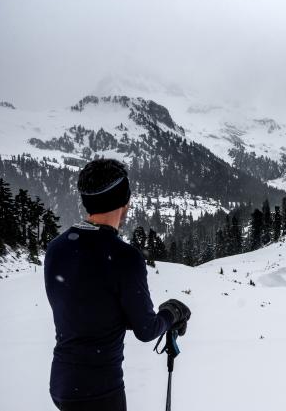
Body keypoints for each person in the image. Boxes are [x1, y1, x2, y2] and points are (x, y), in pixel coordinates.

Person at [44, 159, 191, 411]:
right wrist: (173, 313)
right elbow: (146, 329)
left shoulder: (56, 248)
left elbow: (82, 308)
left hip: (62, 384)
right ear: (124, 202)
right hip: (100, 390)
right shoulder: (124, 257)